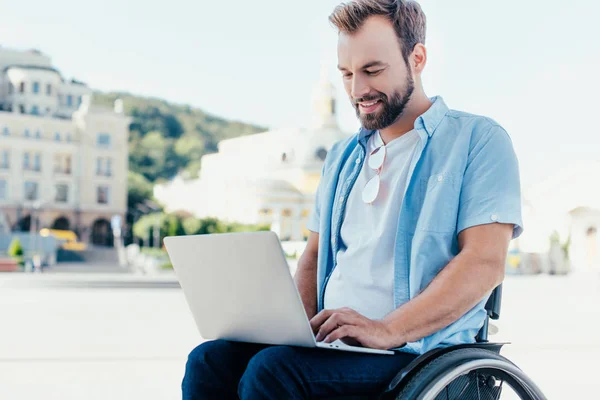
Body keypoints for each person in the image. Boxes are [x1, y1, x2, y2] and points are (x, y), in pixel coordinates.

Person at [182, 0, 523, 398]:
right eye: (347, 74)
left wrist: (386, 330)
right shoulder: (341, 157)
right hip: (333, 345)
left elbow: (483, 263)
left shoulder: (477, 141)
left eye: (372, 71)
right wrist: (285, 327)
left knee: (274, 373)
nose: (358, 90)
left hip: (416, 354)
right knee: (209, 360)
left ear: (417, 58)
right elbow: (311, 256)